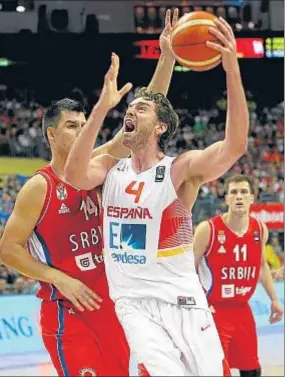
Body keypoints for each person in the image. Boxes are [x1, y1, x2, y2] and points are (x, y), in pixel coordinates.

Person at [0, 9, 179, 376]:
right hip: (68, 312)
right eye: (70, 126)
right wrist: (57, 277)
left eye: (83, 124)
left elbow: (144, 118)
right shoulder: (39, 187)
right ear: (51, 134)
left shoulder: (97, 166)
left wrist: (167, 57)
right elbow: (7, 250)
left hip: (112, 306)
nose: (80, 130)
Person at [64, 17, 249, 376]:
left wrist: (231, 69)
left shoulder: (180, 170)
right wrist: (102, 106)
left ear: (161, 126)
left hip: (183, 302)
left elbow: (235, 146)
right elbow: (73, 174)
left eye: (141, 109)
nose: (131, 110)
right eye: (129, 108)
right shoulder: (108, 168)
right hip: (133, 305)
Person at [194, 174, 284, 377]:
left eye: (244, 192)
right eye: (234, 192)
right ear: (226, 199)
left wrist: (274, 299)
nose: (239, 197)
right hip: (213, 311)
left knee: (251, 369)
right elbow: (187, 271)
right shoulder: (207, 230)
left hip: (243, 310)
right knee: (216, 370)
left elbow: (261, 265)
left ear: (252, 198)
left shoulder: (260, 229)